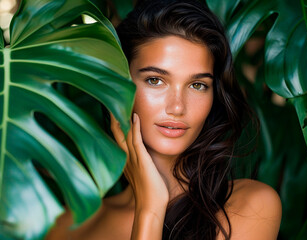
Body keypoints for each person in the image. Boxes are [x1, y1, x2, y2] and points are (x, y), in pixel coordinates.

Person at [46, 0, 282, 239]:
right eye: (155, 80)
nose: (177, 107)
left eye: (197, 85)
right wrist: (148, 203)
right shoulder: (71, 224)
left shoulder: (249, 206)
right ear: (119, 86)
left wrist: (150, 209)